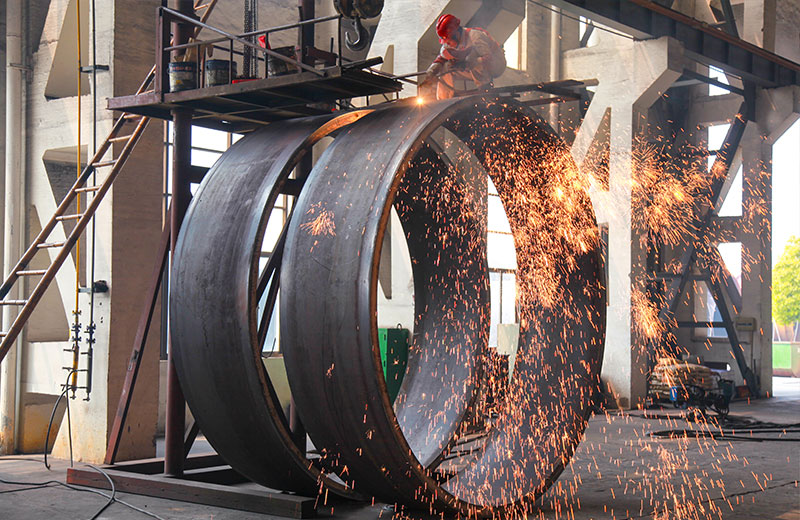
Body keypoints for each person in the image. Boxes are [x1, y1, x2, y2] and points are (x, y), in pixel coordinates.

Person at [420, 14, 507, 100]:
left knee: (472, 58)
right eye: (446, 41)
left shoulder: (474, 36)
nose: (447, 44)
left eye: (449, 41)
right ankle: (443, 100)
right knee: (445, 68)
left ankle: (485, 92)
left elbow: (488, 58)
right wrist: (430, 73)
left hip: (496, 64)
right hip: (474, 67)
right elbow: (441, 59)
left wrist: (468, 63)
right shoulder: (447, 45)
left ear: (456, 34)